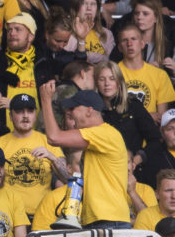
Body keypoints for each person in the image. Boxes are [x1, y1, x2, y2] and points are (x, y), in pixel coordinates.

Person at [38, 83, 132, 228]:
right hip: (100, 219)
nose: (69, 113)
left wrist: (45, 100)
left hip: (110, 220)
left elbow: (53, 138)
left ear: (89, 110)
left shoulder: (104, 133)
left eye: (73, 108)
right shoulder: (95, 139)